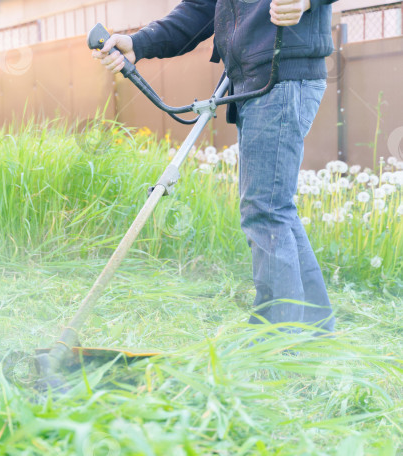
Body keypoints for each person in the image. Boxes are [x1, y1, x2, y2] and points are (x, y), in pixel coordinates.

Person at [92, 0, 337, 333]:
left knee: (265, 211)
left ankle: (278, 344)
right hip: (253, 79)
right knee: (274, 208)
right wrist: (139, 43)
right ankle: (316, 330)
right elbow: (200, 9)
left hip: (282, 72)